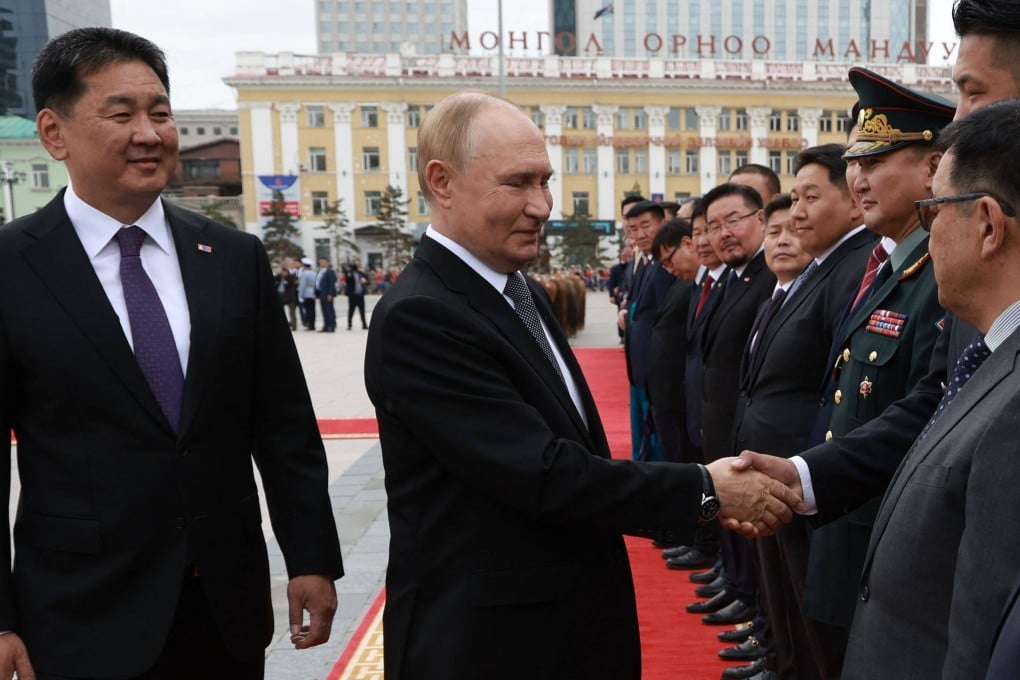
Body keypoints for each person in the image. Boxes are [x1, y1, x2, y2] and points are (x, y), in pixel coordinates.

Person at [363, 91, 800, 680]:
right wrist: (704, 491)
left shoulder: (515, 289)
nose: (542, 205)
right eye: (517, 183)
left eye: (544, 181)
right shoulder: (422, 315)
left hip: (557, 622)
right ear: (441, 182)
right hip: (493, 645)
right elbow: (543, 474)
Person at [0, 28, 342, 679]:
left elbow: (283, 427)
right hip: (81, 614)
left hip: (224, 608)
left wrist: (312, 557)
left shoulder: (232, 257)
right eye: (122, 113)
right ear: (54, 132)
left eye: (160, 112)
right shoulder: (12, 266)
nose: (150, 132)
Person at [850, 96, 1020, 680]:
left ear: (990, 226)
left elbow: (984, 626)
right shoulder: (987, 355)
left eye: (934, 212)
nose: (928, 233)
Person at [735, 146, 876, 680]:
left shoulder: (853, 267)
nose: (794, 213)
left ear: (852, 201)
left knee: (818, 629)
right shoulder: (825, 266)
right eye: (794, 198)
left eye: (809, 198)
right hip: (789, 471)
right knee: (790, 610)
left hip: (813, 474)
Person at [620, 200, 673, 462]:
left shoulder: (665, 266)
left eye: (646, 226)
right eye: (633, 229)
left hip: (656, 370)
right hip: (640, 367)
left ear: (662, 223)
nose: (640, 234)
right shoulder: (648, 263)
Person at [645, 218, 700, 464]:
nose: (667, 268)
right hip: (665, 395)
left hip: (681, 399)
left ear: (688, 244)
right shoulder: (683, 281)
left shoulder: (698, 285)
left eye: (669, 260)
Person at [344, 261, 370, 330]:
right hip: (353, 295)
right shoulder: (349, 273)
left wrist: (365, 280)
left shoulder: (360, 273)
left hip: (360, 295)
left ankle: (364, 324)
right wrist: (348, 271)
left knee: (362, 311)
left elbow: (367, 279)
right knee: (351, 310)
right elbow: (347, 280)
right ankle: (349, 324)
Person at [315, 256, 338, 332]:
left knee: (329, 310)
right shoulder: (320, 271)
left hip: (327, 293)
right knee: (324, 310)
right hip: (321, 293)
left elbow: (332, 283)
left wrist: (330, 294)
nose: (321, 263)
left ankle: (332, 325)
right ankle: (326, 325)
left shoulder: (329, 271)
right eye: (320, 262)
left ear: (327, 262)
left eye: (322, 261)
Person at [276, 260, 299, 330]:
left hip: (289, 297)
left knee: (292, 312)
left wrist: (286, 276)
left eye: (284, 271)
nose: (283, 272)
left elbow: (292, 283)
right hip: (281, 295)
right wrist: (279, 274)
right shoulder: (279, 277)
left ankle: (294, 325)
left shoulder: (290, 276)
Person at [298, 256, 317, 330]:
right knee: (312, 310)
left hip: (307, 293)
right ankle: (312, 324)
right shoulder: (313, 273)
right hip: (312, 293)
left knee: (308, 310)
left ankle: (309, 324)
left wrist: (300, 295)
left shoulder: (304, 273)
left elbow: (302, 285)